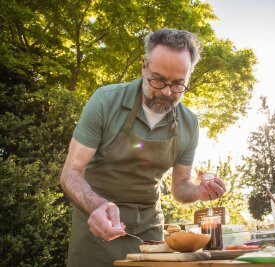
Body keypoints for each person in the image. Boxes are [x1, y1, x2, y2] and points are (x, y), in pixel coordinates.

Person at [60, 28, 226, 266]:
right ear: (144, 66)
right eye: (158, 80)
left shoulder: (189, 124)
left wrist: (198, 192)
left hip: (149, 236)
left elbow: (180, 187)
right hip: (96, 228)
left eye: (178, 84)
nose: (167, 92)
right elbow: (70, 173)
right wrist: (97, 206)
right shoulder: (105, 102)